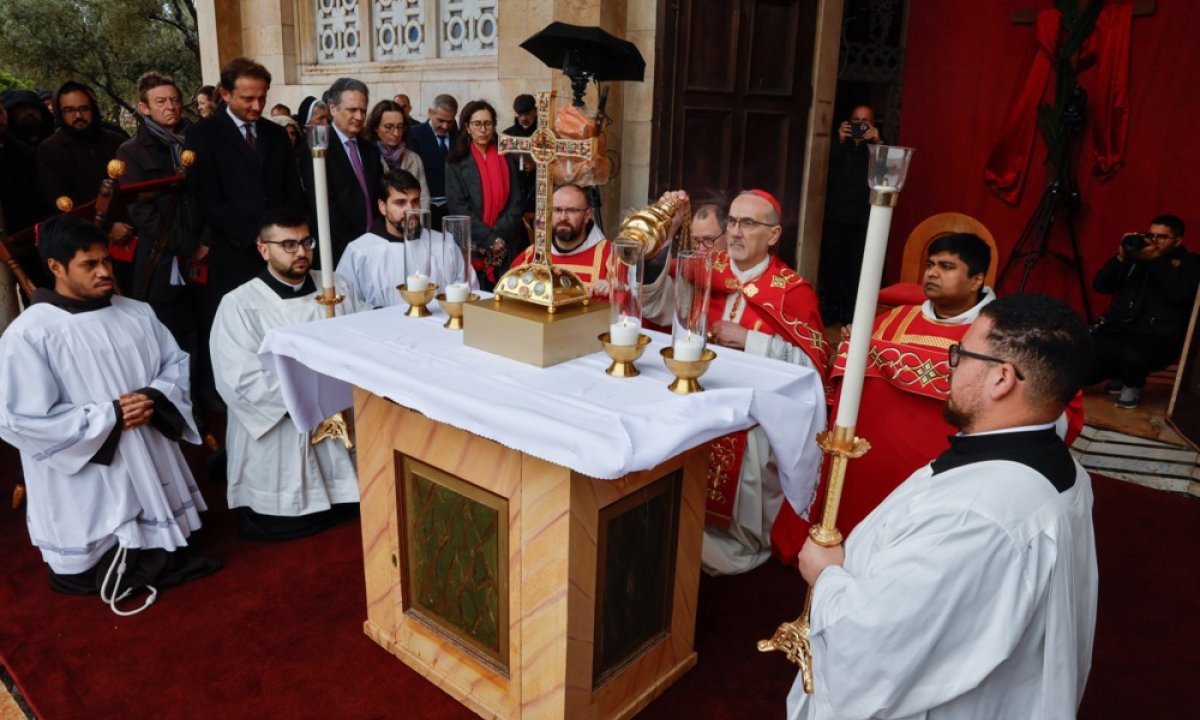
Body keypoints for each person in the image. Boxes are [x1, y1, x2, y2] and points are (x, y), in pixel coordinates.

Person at [790, 293, 1098, 720]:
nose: (949, 365)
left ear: (1001, 378)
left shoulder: (974, 515)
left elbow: (876, 648)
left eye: (961, 354)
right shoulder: (1065, 470)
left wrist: (825, 576)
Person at [0, 215, 218, 614]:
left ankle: (154, 541)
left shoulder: (136, 312)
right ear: (56, 267)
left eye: (106, 261)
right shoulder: (30, 334)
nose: (104, 272)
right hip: (92, 465)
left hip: (146, 440)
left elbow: (175, 364)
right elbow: (19, 418)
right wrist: (110, 416)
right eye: (89, 264)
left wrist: (153, 397)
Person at [638, 189, 830, 574]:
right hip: (697, 388)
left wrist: (750, 340)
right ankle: (676, 517)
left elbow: (812, 367)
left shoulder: (792, 291)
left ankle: (739, 540)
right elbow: (658, 307)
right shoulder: (704, 268)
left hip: (755, 407)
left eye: (749, 223)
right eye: (734, 222)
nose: (737, 232)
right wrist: (662, 245)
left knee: (753, 445)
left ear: (773, 235)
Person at [773, 233, 998, 561]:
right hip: (872, 463)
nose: (932, 273)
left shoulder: (997, 334)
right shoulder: (893, 319)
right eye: (930, 265)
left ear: (976, 280)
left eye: (947, 267)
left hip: (942, 471)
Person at [210, 207, 366, 540]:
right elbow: (239, 379)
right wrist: (314, 394)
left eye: (307, 242)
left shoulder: (336, 286)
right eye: (288, 245)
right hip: (285, 428)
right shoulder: (239, 304)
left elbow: (364, 338)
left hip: (341, 417)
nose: (301, 252)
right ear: (263, 249)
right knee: (284, 516)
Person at [185, 56, 305, 306]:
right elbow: (207, 197)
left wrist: (286, 234)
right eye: (248, 99)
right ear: (225, 94)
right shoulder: (203, 134)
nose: (257, 106)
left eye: (262, 98)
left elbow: (292, 188)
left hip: (282, 250)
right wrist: (253, 236)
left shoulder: (276, 134)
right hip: (234, 251)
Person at [116, 71, 201, 357]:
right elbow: (143, 213)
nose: (171, 106)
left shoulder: (196, 141)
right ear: (144, 108)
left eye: (175, 100)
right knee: (172, 337)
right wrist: (188, 245)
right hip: (161, 260)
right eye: (161, 101)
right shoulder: (131, 152)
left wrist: (206, 241)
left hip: (205, 253)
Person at [1085, 215, 1200, 408]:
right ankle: (1119, 375)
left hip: (1157, 340)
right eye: (1150, 235)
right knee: (1084, 367)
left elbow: (1180, 294)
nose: (1153, 241)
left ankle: (1132, 385)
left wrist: (1156, 260)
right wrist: (1121, 258)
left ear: (1178, 241)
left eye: (1161, 237)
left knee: (1131, 356)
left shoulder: (1190, 263)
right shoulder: (1136, 259)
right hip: (1119, 332)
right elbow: (1100, 285)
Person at [337, 168, 477, 308]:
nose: (410, 209)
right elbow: (346, 304)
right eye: (400, 203)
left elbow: (469, 290)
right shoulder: (359, 252)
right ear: (383, 207)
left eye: (415, 201)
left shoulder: (444, 244)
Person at [445, 99, 525, 291]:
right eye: (477, 124)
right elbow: (458, 207)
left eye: (488, 124)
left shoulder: (507, 156)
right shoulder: (455, 161)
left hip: (507, 243)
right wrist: (489, 240)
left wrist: (498, 237)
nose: (483, 130)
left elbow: (516, 201)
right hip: (473, 246)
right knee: (475, 298)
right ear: (467, 127)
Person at [302, 77, 381, 268]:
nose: (359, 117)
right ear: (333, 109)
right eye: (352, 110)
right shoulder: (318, 147)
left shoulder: (370, 149)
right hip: (337, 249)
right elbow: (323, 203)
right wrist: (354, 244)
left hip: (373, 245)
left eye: (363, 110)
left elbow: (377, 195)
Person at [819, 104, 880, 324]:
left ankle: (850, 314)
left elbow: (886, 172)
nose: (859, 125)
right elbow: (823, 170)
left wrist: (878, 143)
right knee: (831, 266)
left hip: (861, 219)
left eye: (865, 122)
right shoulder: (838, 145)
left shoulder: (876, 148)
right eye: (856, 120)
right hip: (835, 217)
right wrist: (839, 141)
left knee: (855, 269)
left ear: (873, 124)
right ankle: (831, 309)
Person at [35, 81, 128, 208]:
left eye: (84, 109)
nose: (78, 115)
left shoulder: (116, 141)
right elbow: (58, 198)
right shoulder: (50, 149)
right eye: (69, 110)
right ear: (59, 112)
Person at [509, 183, 608, 288]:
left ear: (587, 215)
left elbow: (620, 292)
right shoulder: (530, 256)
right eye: (557, 210)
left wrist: (613, 291)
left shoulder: (609, 257)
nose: (563, 217)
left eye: (571, 210)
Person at [363, 99, 429, 209]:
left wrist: (416, 218)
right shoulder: (366, 157)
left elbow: (423, 198)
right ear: (376, 128)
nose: (395, 133)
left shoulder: (414, 159)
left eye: (400, 127)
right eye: (388, 127)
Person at [408, 93, 458, 226]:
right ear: (430, 113)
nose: (445, 126)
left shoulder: (459, 136)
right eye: (441, 120)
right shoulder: (415, 134)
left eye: (450, 122)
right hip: (427, 210)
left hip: (454, 211)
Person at [502, 93, 538, 213]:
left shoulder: (545, 134)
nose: (523, 118)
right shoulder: (507, 136)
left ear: (535, 111)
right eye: (520, 115)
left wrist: (538, 164)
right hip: (514, 194)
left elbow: (558, 162)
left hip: (538, 192)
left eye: (527, 114)